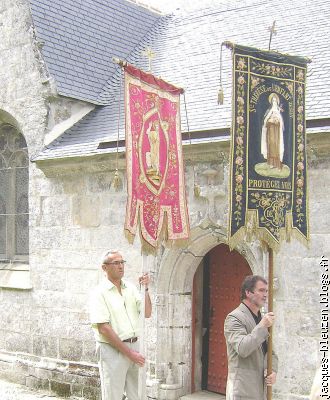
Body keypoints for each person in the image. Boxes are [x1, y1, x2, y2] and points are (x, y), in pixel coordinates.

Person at [89, 250, 152, 400]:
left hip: (135, 347)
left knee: (137, 395)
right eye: (116, 263)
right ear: (105, 268)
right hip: (113, 351)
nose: (121, 266)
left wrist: (146, 289)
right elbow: (103, 328)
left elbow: (147, 312)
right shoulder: (99, 293)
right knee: (113, 396)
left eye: (122, 262)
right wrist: (129, 353)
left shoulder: (130, 288)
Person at [224, 275, 278, 400]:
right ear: (248, 292)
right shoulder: (234, 318)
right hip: (242, 391)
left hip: (261, 391)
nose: (265, 295)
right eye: (261, 290)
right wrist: (262, 326)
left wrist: (273, 370)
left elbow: (271, 353)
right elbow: (243, 348)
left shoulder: (262, 318)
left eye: (266, 291)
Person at [261, 93, 284, 170]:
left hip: (277, 133)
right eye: (273, 100)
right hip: (270, 133)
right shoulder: (269, 111)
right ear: (271, 102)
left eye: (275, 100)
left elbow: (281, 123)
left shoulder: (278, 112)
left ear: (277, 102)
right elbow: (265, 122)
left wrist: (277, 120)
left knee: (276, 147)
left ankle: (277, 164)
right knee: (271, 147)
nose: (274, 102)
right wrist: (270, 120)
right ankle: (271, 163)